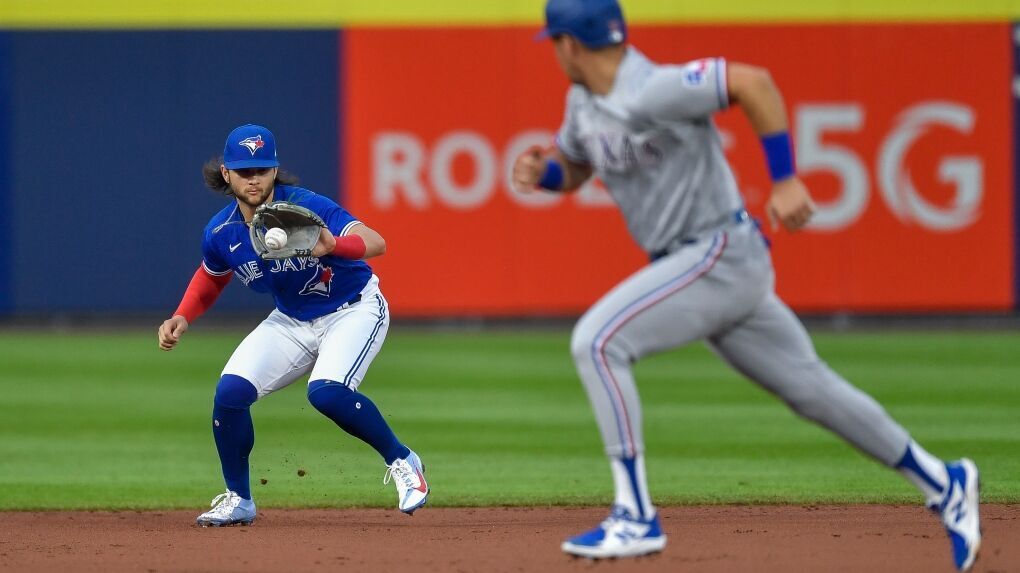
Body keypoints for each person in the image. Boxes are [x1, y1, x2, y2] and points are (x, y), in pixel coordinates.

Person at [512, 1, 981, 569]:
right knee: (814, 392)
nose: (553, 51)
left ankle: (635, 515)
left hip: (716, 251)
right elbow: (581, 163)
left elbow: (754, 83)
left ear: (569, 44)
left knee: (599, 341)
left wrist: (784, 179)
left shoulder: (653, 88)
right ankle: (945, 481)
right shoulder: (583, 102)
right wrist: (548, 174)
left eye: (553, 41)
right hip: (701, 266)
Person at [158, 124, 429, 526]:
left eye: (262, 170)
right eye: (245, 170)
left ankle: (404, 460)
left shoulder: (306, 206)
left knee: (326, 393)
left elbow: (376, 241)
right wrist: (183, 313)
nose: (254, 179)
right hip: (291, 320)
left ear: (275, 170)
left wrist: (335, 244)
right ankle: (239, 499)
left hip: (352, 309)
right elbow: (212, 276)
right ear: (227, 173)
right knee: (229, 394)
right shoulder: (220, 232)